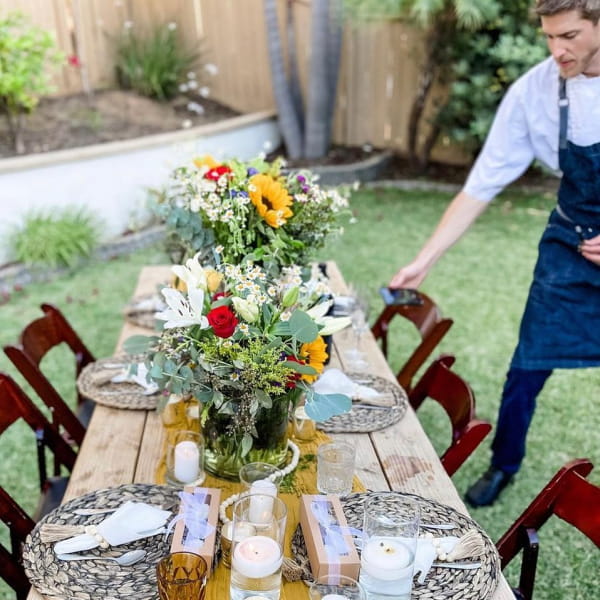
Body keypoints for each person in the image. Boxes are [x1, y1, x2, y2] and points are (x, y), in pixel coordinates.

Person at [390, 0, 600, 507]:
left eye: (569, 36)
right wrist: (426, 259)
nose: (557, 50)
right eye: (548, 37)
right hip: (569, 245)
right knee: (526, 366)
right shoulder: (536, 91)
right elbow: (481, 185)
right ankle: (504, 464)